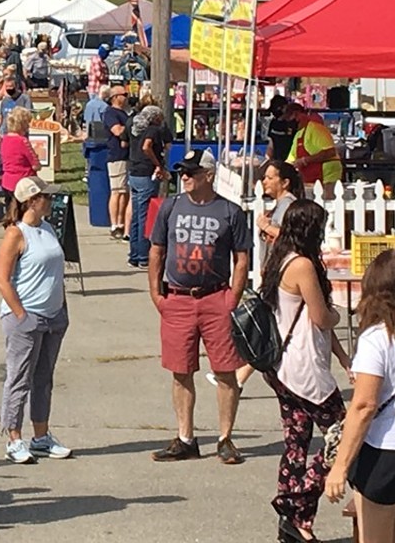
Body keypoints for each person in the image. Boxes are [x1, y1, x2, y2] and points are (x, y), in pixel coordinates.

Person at [252, 200, 351, 543]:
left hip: (284, 366)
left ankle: (292, 523)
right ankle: (296, 504)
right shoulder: (303, 266)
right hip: (305, 370)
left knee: (296, 444)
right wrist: (338, 315)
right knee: (343, 436)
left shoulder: (278, 258)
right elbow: (322, 318)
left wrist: (342, 356)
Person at [147, 149, 252, 464]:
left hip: (215, 297)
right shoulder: (171, 207)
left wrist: (233, 296)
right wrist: (156, 295)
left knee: (225, 370)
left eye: (192, 172)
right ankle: (185, 437)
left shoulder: (230, 212)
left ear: (209, 175)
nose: (185, 177)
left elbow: (242, 258)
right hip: (178, 297)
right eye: (182, 172)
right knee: (181, 370)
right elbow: (156, 251)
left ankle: (225, 438)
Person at [325, 249, 395, 543]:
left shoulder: (376, 338)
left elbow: (364, 405)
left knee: (375, 538)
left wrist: (339, 467)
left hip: (383, 449)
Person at [0, 175, 71, 464]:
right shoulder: (16, 233)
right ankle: (14, 437)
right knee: (19, 378)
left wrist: (62, 308)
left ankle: (41, 436)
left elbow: (56, 270)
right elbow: (2, 279)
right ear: (32, 201)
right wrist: (21, 315)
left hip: (53, 317)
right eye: (47, 197)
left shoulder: (49, 228)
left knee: (44, 378)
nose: (51, 201)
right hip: (26, 317)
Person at [127, 103, 172, 270]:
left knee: (137, 213)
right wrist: (157, 164)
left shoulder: (135, 127)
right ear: (155, 118)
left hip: (134, 171)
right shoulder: (152, 130)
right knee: (145, 215)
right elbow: (147, 146)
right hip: (147, 172)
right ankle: (143, 255)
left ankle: (134, 254)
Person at [285, 102, 343, 189]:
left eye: (294, 117)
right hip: (310, 178)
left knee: (327, 202)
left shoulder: (317, 129)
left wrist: (305, 160)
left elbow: (330, 152)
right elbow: (291, 160)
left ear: (298, 114)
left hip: (327, 176)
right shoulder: (298, 134)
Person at [256, 160, 306, 245]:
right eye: (264, 177)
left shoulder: (287, 204)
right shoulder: (282, 203)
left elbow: (290, 235)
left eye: (270, 178)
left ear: (285, 183)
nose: (264, 182)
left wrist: (265, 226)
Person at [104, 85, 131, 241]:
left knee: (124, 191)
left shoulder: (124, 113)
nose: (126, 97)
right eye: (124, 94)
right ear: (115, 97)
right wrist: (128, 132)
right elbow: (118, 131)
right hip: (116, 155)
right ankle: (115, 224)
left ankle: (122, 222)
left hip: (127, 155)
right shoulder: (111, 113)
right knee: (117, 190)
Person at [0, 106, 41, 197]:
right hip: (24, 185)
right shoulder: (23, 141)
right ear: (23, 124)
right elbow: (36, 166)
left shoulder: (4, 140)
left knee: (11, 210)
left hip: (7, 182)